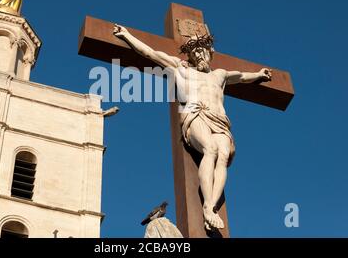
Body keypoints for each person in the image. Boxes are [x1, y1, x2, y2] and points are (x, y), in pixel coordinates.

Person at [113, 24, 272, 230]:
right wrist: (127, 36)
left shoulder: (220, 75)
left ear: (209, 52)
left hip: (220, 120)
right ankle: (206, 206)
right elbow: (150, 53)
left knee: (223, 154)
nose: (198, 54)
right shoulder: (181, 68)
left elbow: (241, 76)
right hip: (195, 112)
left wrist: (259, 74)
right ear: (190, 55)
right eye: (194, 52)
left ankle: (212, 206)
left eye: (201, 50)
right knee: (210, 149)